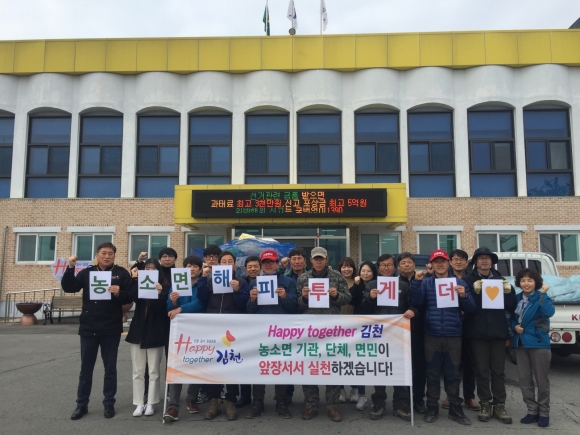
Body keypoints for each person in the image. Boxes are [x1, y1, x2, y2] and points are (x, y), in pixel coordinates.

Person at [62, 242, 132, 420]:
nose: (107, 256)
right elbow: (70, 287)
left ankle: (109, 403)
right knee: (86, 369)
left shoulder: (121, 273)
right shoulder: (88, 272)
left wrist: (119, 292)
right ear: (97, 255)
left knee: (110, 369)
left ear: (114, 256)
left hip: (111, 328)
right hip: (89, 328)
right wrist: (70, 267)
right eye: (103, 253)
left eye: (110, 253)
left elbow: (131, 296)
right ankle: (81, 404)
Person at [410, 249, 476, 425]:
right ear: (431, 264)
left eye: (443, 261)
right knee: (432, 374)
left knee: (453, 374)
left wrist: (463, 296)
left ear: (448, 263)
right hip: (431, 334)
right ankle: (432, 407)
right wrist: (416, 283)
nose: (440, 264)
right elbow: (416, 302)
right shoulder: (426, 283)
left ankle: (455, 408)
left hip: (453, 335)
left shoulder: (459, 282)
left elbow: (471, 309)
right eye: (436, 262)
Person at [296, 247, 352, 422]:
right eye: (316, 258)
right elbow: (297, 304)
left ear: (327, 260)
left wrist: (336, 296)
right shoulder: (303, 278)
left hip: (331, 327)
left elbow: (348, 297)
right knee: (309, 366)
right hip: (310, 328)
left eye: (321, 258)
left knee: (331, 366)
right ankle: (311, 405)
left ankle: (333, 407)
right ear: (311, 260)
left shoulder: (337, 276)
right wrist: (304, 297)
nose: (318, 261)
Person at [462, 247, 517, 424]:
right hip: (477, 332)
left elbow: (511, 306)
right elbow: (466, 306)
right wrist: (474, 293)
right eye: (481, 258)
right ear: (475, 262)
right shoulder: (468, 280)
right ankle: (484, 403)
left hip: (498, 332)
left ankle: (499, 405)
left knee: (498, 371)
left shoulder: (501, 280)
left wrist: (507, 292)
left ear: (492, 261)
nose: (484, 261)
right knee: (481, 370)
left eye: (487, 258)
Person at [360, 254, 415, 421]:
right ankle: (378, 404)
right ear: (378, 267)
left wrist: (413, 311)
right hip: (378, 333)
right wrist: (370, 298)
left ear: (394, 267)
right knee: (379, 368)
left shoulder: (403, 285)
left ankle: (401, 405)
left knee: (399, 368)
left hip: (399, 332)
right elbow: (363, 308)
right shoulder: (372, 284)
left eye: (389, 265)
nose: (386, 268)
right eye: (383, 265)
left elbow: (413, 304)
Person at [197, 250, 249, 421]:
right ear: (219, 264)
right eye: (223, 261)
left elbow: (243, 305)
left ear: (235, 265)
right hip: (212, 327)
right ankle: (214, 400)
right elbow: (202, 298)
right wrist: (203, 278)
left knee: (230, 363)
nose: (227, 264)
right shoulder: (210, 280)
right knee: (213, 364)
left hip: (231, 329)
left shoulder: (241, 282)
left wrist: (237, 291)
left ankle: (230, 400)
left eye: (230, 261)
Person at [246, 249, 298, 419]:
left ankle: (281, 402)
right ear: (262, 264)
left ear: (277, 263)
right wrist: (252, 300)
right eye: (265, 262)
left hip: (281, 331)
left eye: (272, 262)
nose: (268, 265)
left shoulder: (288, 282)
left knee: (280, 366)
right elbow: (249, 311)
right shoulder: (254, 283)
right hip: (260, 330)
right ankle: (257, 402)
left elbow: (294, 307)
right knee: (258, 366)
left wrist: (285, 297)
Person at [163, 255, 207, 423]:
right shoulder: (177, 283)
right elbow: (169, 308)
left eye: (195, 266)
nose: (192, 269)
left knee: (196, 363)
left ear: (200, 269)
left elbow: (201, 303)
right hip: (180, 331)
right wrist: (173, 302)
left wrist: (180, 308)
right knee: (177, 365)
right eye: (189, 265)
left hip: (198, 329)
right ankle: (173, 405)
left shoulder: (203, 283)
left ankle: (192, 398)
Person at [126, 258, 170, 417]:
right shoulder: (140, 284)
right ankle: (139, 403)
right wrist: (134, 278)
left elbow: (162, 309)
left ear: (158, 271)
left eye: (153, 268)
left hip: (155, 333)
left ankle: (151, 402)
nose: (150, 271)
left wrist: (159, 294)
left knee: (154, 371)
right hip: (137, 333)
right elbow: (131, 297)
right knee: (137, 371)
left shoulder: (165, 287)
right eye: (147, 268)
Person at [511, 269, 554, 428]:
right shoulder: (517, 298)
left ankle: (544, 412)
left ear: (536, 282)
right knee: (524, 380)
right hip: (521, 343)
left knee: (542, 381)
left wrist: (543, 295)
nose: (526, 283)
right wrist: (514, 327)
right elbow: (512, 318)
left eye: (530, 280)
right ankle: (531, 410)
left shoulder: (541, 296)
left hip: (538, 343)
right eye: (523, 280)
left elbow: (548, 312)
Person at [442, 249, 480, 412]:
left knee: (469, 362)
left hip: (470, 326)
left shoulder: (473, 279)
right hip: (451, 326)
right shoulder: (444, 278)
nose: (458, 262)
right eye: (455, 259)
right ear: (450, 262)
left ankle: (469, 396)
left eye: (462, 259)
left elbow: (477, 303)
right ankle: (451, 395)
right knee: (452, 364)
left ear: (467, 262)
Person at [396, 252, 427, 414]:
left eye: (409, 262)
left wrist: (415, 311)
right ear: (398, 266)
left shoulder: (424, 280)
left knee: (419, 367)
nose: (406, 265)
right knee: (402, 367)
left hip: (419, 330)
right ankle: (403, 400)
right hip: (398, 332)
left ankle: (419, 399)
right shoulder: (393, 283)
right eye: (403, 263)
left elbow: (427, 303)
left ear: (414, 264)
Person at [345, 261, 377, 410]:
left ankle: (377, 398)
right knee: (360, 361)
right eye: (363, 270)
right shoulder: (357, 285)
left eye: (369, 271)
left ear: (374, 272)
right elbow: (350, 300)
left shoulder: (379, 285)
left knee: (376, 363)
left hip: (376, 327)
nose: (366, 273)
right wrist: (355, 285)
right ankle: (361, 395)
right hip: (358, 327)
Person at [279, 247, 308, 403]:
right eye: (294, 259)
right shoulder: (284, 276)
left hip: (308, 322)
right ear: (289, 261)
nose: (297, 262)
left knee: (307, 359)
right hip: (288, 323)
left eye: (299, 258)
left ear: (305, 260)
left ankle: (309, 397)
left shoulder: (312, 276)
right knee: (288, 359)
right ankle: (287, 394)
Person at [236, 255, 262, 409]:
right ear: (245, 269)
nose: (253, 269)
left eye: (255, 266)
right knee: (244, 361)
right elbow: (239, 305)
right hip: (245, 327)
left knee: (262, 361)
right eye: (250, 267)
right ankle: (245, 395)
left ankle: (260, 397)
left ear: (260, 268)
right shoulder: (241, 283)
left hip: (263, 327)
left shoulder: (268, 281)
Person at [337, 257, 356, 404]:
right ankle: (340, 389)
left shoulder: (358, 282)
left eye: (349, 266)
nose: (346, 269)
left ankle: (355, 388)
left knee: (354, 359)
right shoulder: (335, 282)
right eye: (343, 267)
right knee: (339, 359)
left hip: (354, 325)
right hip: (337, 325)